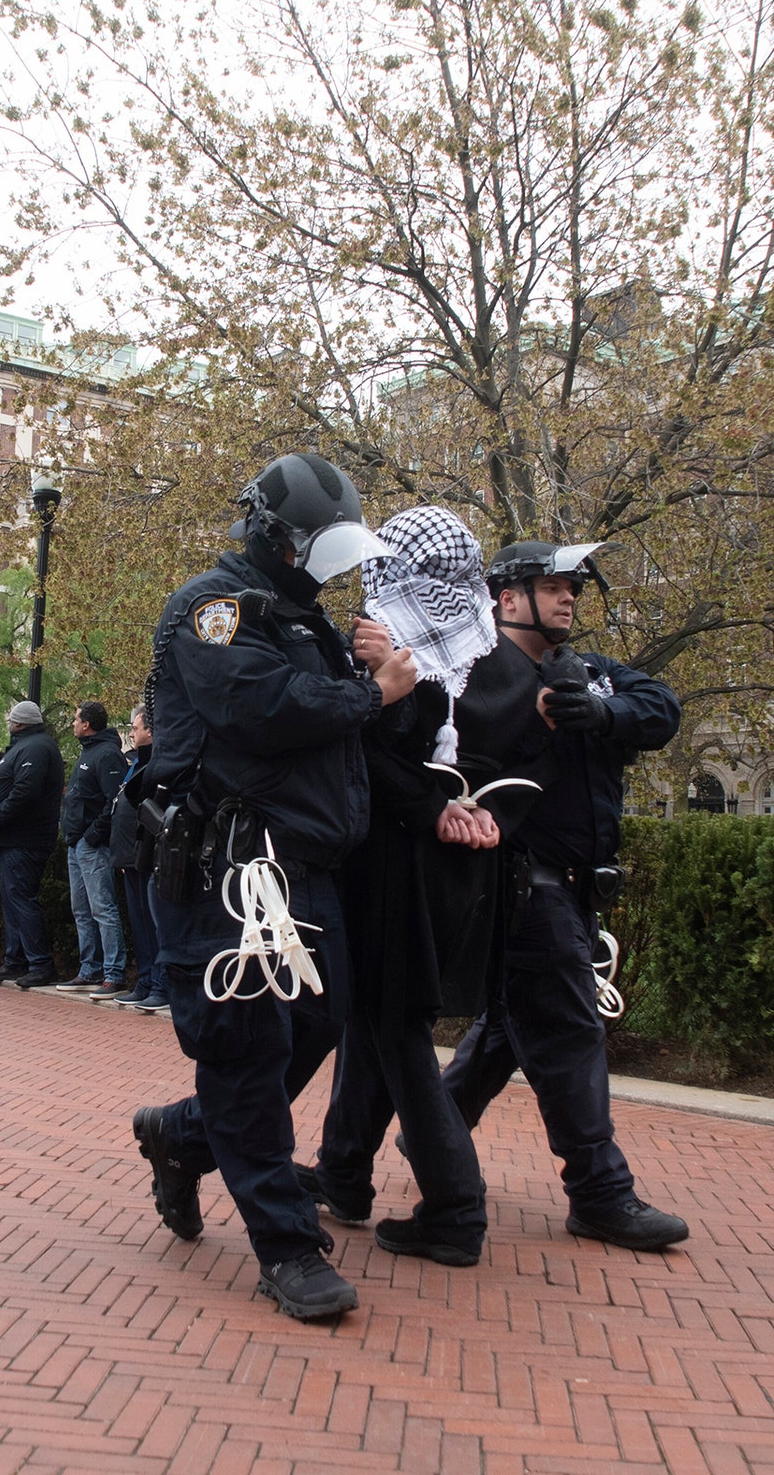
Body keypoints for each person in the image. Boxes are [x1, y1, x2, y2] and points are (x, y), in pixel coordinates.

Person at [130, 451, 415, 1322]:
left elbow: (330, 726)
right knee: (245, 1050)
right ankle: (287, 1248)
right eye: (312, 548)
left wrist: (370, 669)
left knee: (319, 1022)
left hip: (303, 868)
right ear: (268, 534)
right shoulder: (214, 608)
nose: (322, 567)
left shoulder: (306, 617)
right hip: (231, 867)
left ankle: (181, 1137)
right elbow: (259, 709)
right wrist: (369, 692)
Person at [440, 540, 689, 1251]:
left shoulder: (595, 673)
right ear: (507, 597)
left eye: (572, 586)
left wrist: (601, 715)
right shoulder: (482, 675)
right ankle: (601, 1192)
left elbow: (661, 707)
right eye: (551, 584)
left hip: (578, 891)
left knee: (505, 1035)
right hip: (526, 889)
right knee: (570, 1032)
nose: (568, 596)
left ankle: (435, 1133)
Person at [298, 506, 515, 1267]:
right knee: (376, 1023)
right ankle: (344, 1173)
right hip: (444, 863)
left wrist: (432, 800)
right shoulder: (491, 647)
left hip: (396, 866)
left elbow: (376, 760)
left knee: (396, 1033)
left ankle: (456, 1209)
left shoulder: (394, 640)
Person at [0, 700, 65, 989]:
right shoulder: (27, 747)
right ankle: (16, 960)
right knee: (13, 900)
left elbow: (26, 790)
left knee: (22, 899)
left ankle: (39, 963)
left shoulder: (36, 748)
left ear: (18, 723)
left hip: (24, 839)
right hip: (14, 839)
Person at [58, 701, 130, 997]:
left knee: (103, 909)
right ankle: (90, 969)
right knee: (82, 910)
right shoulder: (90, 751)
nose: (73, 723)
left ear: (87, 724)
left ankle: (114, 973)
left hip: (90, 845)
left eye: (76, 719)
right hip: (77, 843)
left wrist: (92, 836)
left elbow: (114, 801)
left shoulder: (106, 754)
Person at [109, 705, 166, 1010]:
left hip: (149, 857)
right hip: (130, 857)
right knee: (140, 924)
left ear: (151, 730)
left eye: (135, 728)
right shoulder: (136, 763)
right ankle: (144, 980)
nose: (131, 733)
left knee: (154, 923)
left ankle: (160, 984)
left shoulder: (160, 763)